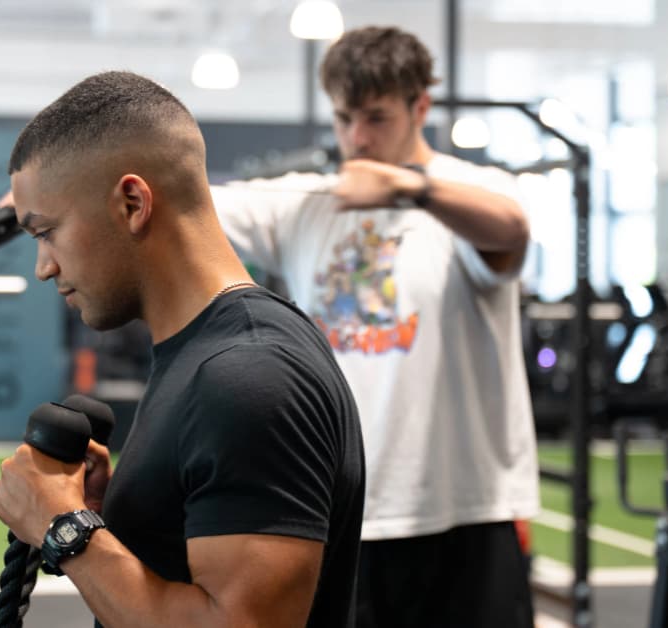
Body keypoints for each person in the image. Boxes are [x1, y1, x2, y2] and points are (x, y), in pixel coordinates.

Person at [0, 71, 364, 627]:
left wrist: (63, 527)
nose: (45, 266)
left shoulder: (248, 375)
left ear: (133, 202)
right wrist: (112, 519)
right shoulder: (210, 354)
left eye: (47, 233)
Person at [211, 26, 539, 627]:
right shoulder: (306, 204)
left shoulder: (475, 190)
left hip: (465, 513)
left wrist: (406, 186)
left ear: (420, 107)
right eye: (343, 118)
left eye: (376, 118)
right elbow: (189, 203)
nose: (356, 138)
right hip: (343, 510)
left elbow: (511, 229)